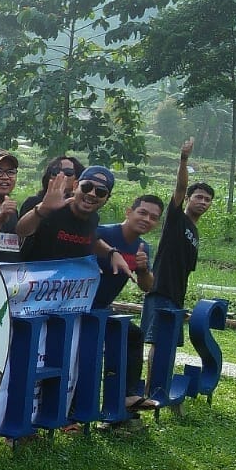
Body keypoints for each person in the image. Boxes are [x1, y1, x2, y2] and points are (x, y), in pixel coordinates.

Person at [142, 138, 213, 386]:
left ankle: (160, 388)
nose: (203, 202)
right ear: (189, 199)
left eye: (207, 200)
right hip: (160, 291)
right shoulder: (176, 219)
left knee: (168, 345)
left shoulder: (195, 233)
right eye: (199, 197)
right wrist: (183, 160)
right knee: (159, 344)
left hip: (175, 296)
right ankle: (152, 391)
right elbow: (180, 187)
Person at [92, 195, 164, 412]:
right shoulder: (102, 234)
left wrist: (143, 270)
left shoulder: (143, 247)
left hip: (102, 309)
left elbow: (147, 286)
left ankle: (127, 395)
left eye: (153, 217)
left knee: (133, 334)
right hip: (79, 306)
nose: (146, 219)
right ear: (128, 212)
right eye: (142, 212)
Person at [17, 164, 132, 274]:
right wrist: (43, 209)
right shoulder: (49, 207)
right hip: (31, 282)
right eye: (87, 187)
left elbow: (92, 239)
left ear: (107, 199)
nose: (92, 194)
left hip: (64, 288)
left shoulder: (93, 219)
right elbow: (21, 231)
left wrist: (112, 252)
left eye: (100, 192)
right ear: (75, 186)